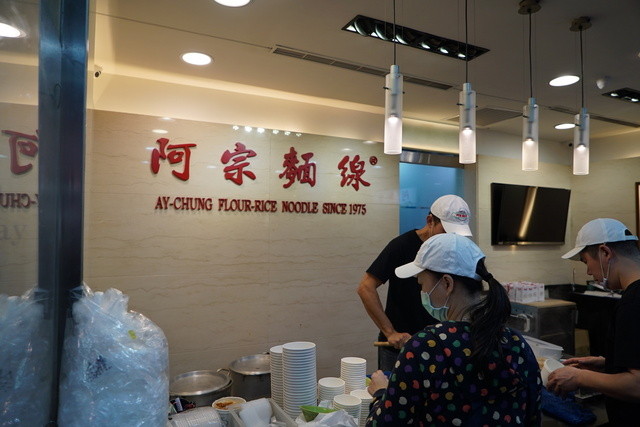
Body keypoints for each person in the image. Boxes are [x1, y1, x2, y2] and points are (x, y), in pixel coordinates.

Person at [365, 233, 541, 426]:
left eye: (422, 284)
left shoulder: (425, 347)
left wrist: (380, 393)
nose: (422, 292)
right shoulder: (516, 344)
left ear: (447, 283)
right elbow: (533, 416)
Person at [357, 195, 472, 371]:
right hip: (401, 347)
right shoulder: (402, 245)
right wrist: (390, 332)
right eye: (446, 231)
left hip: (440, 345)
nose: (451, 238)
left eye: (457, 234)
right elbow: (366, 287)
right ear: (430, 221)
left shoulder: (456, 250)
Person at [547, 218, 640, 425]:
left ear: (605, 252)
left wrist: (580, 377)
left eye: (585, 261)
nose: (588, 272)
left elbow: (637, 385)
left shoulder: (633, 303)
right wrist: (609, 364)